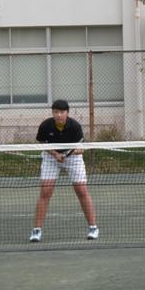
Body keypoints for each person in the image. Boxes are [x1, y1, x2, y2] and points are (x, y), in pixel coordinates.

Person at [29, 99, 98, 242]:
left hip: (73, 159)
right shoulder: (45, 126)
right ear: (52, 113)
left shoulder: (75, 126)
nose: (59, 115)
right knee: (45, 192)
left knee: (82, 190)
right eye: (56, 112)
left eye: (61, 112)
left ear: (67, 113)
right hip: (51, 158)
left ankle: (93, 227)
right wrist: (55, 154)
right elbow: (42, 143)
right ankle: (36, 230)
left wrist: (67, 155)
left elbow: (80, 149)